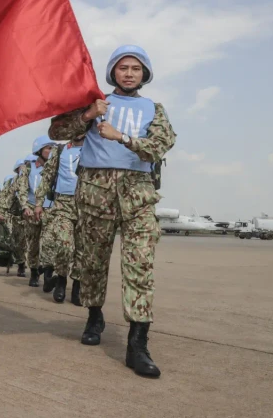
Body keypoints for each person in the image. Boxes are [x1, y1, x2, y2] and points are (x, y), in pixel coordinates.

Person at [49, 45, 175, 378]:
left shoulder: (154, 109)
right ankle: (94, 315)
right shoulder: (95, 102)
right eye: (123, 68)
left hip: (138, 195)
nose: (129, 73)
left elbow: (159, 146)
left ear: (144, 74)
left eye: (136, 68)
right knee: (92, 261)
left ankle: (138, 344)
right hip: (95, 193)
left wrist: (123, 138)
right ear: (113, 73)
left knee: (140, 265)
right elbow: (56, 131)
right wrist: (88, 116)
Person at [36, 135, 85, 304]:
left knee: (82, 249)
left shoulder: (94, 146)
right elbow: (47, 176)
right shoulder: (60, 150)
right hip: (62, 202)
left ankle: (77, 287)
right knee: (64, 244)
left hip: (87, 204)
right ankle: (61, 280)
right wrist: (38, 203)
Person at [16, 141, 55, 287]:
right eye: (48, 148)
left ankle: (48, 274)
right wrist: (25, 206)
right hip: (32, 209)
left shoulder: (55, 166)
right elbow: (22, 189)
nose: (51, 151)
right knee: (33, 244)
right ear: (39, 151)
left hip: (50, 209)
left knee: (50, 242)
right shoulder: (28, 167)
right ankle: (33, 272)